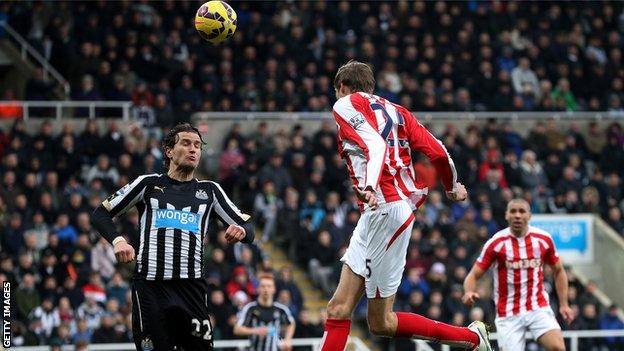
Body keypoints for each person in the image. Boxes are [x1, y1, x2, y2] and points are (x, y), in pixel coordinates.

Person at [320, 60, 491, 351]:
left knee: (382, 322)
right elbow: (438, 152)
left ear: (343, 87)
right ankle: (472, 339)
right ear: (372, 87)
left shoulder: (345, 104)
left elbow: (376, 145)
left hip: (386, 208)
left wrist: (370, 185)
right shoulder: (398, 111)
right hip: (378, 212)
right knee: (338, 309)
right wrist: (451, 187)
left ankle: (472, 339)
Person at [91, 123, 255, 350]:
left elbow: (248, 226)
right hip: (151, 288)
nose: (193, 150)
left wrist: (243, 230)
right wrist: (118, 240)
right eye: (186, 143)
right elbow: (100, 214)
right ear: (168, 151)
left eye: (197, 145)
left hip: (191, 289)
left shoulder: (210, 191)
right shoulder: (148, 184)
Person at [463, 199, 574, 351]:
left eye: (522, 211)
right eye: (513, 211)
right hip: (508, 312)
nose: (517, 215)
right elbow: (473, 275)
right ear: (506, 215)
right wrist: (469, 291)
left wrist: (564, 304)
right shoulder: (496, 243)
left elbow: (559, 270)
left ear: (529, 215)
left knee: (558, 347)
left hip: (537, 306)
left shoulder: (543, 239)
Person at [234, 274, 296, 351]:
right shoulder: (250, 308)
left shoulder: (281, 309)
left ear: (274, 289)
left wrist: (287, 339)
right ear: (258, 289)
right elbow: (237, 329)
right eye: (263, 286)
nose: (266, 289)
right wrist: (256, 331)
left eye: (269, 286)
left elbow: (291, 323)